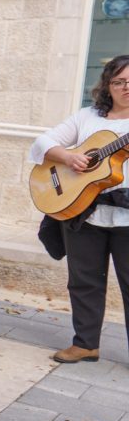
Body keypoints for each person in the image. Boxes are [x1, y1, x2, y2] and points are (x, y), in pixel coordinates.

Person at [29, 54, 129, 364]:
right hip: (84, 211)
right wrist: (69, 158)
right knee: (84, 279)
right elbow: (43, 143)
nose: (126, 87)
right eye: (119, 82)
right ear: (107, 86)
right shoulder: (87, 117)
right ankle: (86, 343)